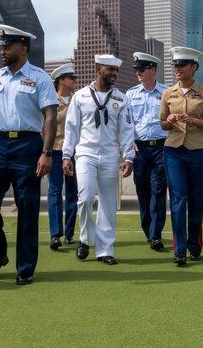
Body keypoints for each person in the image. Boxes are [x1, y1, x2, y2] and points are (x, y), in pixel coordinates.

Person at [0, 25, 58, 285]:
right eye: (1, 47)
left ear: (23, 48)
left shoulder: (39, 77)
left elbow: (50, 116)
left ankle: (25, 267)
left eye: (7, 46)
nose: (3, 51)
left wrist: (47, 152)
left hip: (28, 145)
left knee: (27, 207)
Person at [63, 55, 134, 264]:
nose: (114, 74)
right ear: (99, 69)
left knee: (108, 203)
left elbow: (128, 130)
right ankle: (85, 238)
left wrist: (129, 156)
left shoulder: (121, 98)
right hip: (85, 152)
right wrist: (67, 154)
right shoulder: (81, 96)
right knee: (85, 199)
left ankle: (105, 250)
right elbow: (71, 128)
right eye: (110, 69)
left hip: (110, 154)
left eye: (117, 71)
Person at [159, 46, 203, 266]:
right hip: (173, 151)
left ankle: (195, 246)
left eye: (182, 65)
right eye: (175, 65)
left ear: (194, 67)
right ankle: (180, 249)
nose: (178, 69)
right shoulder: (168, 93)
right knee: (178, 199)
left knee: (196, 200)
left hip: (197, 152)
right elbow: (163, 124)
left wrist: (194, 121)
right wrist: (172, 120)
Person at [125, 51, 169, 251]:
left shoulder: (167, 93)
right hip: (139, 149)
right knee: (143, 191)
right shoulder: (130, 94)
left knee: (159, 191)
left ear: (152, 70)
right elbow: (127, 124)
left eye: (141, 69)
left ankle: (155, 234)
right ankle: (148, 229)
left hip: (162, 147)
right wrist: (129, 145)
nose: (138, 73)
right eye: (136, 70)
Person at [48, 62, 78, 250]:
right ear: (61, 81)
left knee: (73, 192)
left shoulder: (79, 100)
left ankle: (69, 233)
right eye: (71, 78)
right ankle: (55, 234)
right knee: (54, 190)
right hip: (55, 151)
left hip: (75, 152)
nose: (75, 80)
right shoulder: (50, 101)